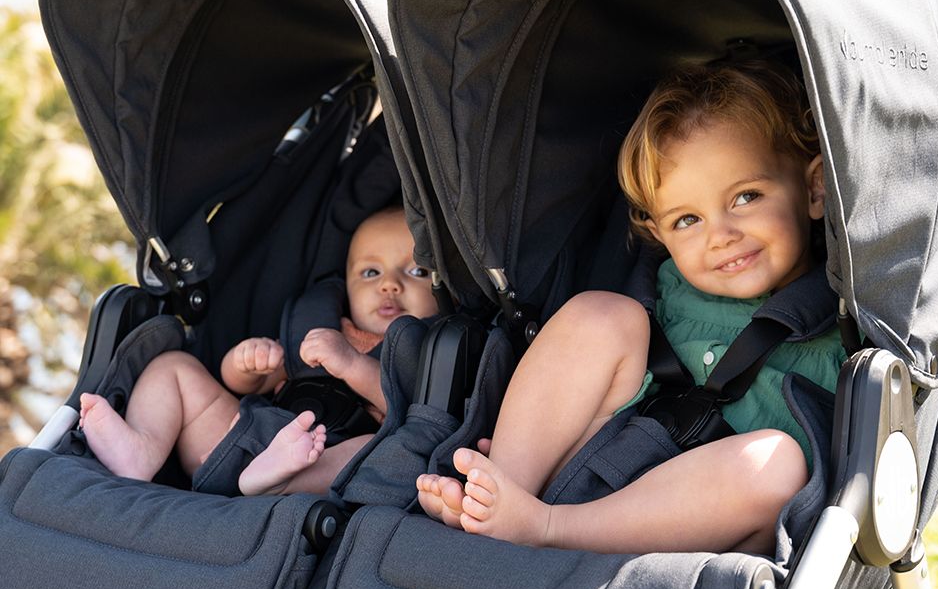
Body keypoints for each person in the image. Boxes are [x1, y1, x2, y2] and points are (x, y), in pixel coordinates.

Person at [416, 61, 844, 556]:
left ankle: (541, 526)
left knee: (775, 465)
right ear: (658, 234)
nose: (721, 235)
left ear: (815, 188)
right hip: (589, 474)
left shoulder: (845, 325)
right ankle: (497, 492)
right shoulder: (658, 296)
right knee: (599, 314)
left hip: (695, 535)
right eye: (687, 220)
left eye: (746, 197)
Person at [79, 206, 437, 496]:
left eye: (417, 271)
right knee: (174, 366)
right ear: (346, 284)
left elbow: (410, 412)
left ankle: (279, 482)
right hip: (245, 439)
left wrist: (351, 364)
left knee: (380, 452)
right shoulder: (320, 326)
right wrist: (248, 364)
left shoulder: (429, 353)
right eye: (371, 272)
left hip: (324, 460)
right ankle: (142, 451)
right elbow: (247, 384)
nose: (390, 284)